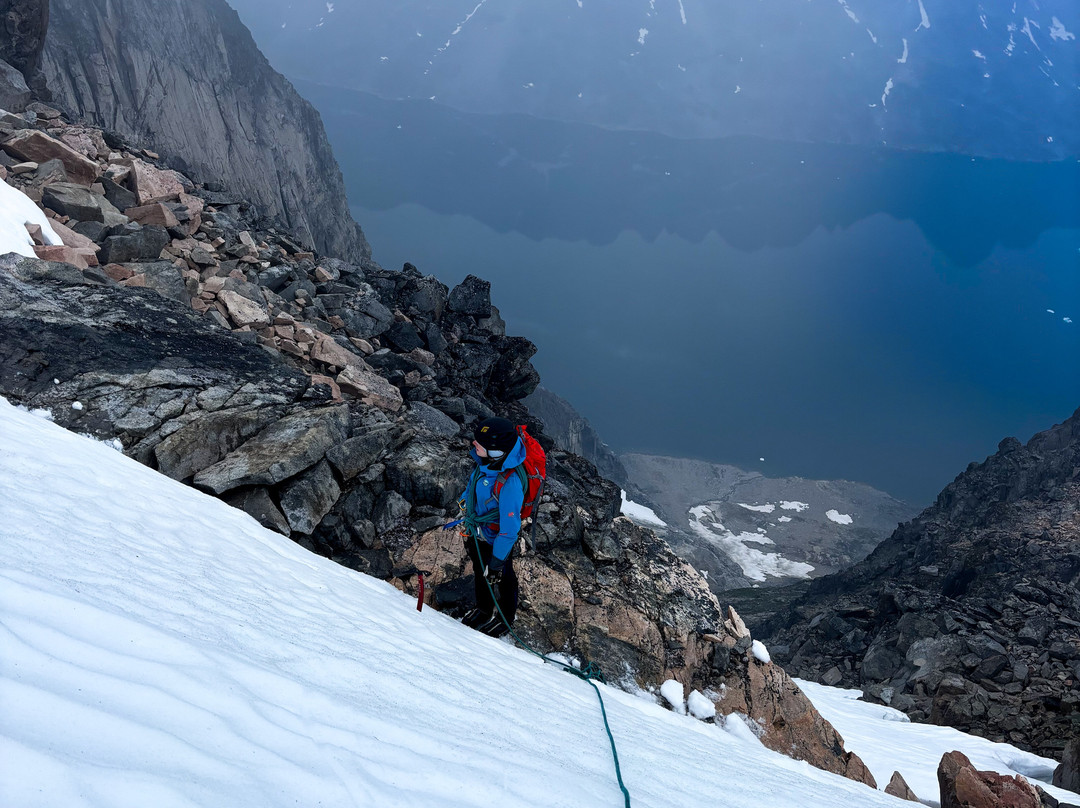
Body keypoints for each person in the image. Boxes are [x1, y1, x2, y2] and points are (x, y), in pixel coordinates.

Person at [457, 416, 525, 638]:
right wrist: (465, 509)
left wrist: (497, 561)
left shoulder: (510, 483)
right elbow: (472, 487)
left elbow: (509, 529)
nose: (474, 444)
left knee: (504, 577)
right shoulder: (483, 463)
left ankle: (506, 618)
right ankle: (484, 610)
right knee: (479, 570)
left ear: (496, 451)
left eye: (480, 443)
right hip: (479, 532)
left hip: (498, 540)